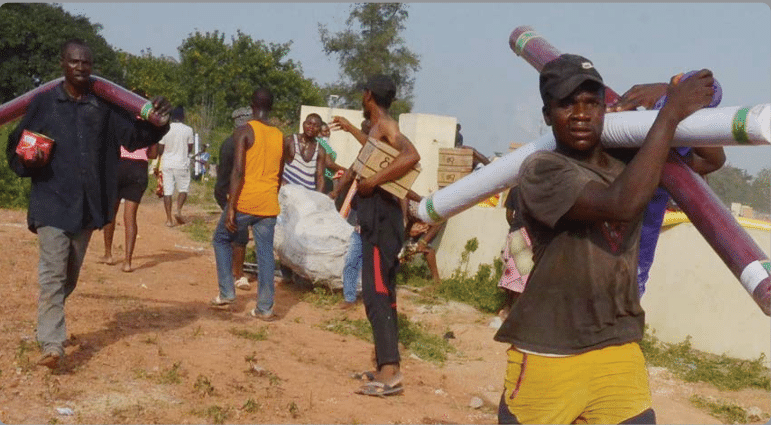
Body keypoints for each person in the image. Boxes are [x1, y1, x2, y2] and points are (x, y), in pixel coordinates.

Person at [494, 54, 716, 424]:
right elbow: (621, 204)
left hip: (617, 345)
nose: (581, 114)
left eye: (591, 103)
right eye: (567, 104)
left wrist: (665, 96)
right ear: (547, 115)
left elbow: (711, 157)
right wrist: (669, 114)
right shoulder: (543, 170)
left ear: (603, 108)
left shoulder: (629, 163)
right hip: (550, 352)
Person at [5, 38, 171, 369]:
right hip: (51, 201)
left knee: (69, 277)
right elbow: (17, 146)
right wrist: (29, 158)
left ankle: (48, 318)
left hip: (87, 205)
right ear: (62, 65)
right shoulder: (45, 104)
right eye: (74, 62)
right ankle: (53, 343)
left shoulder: (103, 107)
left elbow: (133, 138)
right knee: (52, 275)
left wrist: (159, 125)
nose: (81, 67)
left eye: (86, 63)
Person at [335, 75, 421, 397]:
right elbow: (372, 154)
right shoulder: (376, 129)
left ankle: (390, 372)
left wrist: (374, 182)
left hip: (383, 220)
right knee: (382, 292)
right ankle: (388, 366)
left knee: (376, 293)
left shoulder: (386, 124)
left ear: (368, 94)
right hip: (376, 219)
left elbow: (411, 155)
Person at [608, 83, 726, 296]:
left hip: (631, 271)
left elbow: (715, 160)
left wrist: (676, 102)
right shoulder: (631, 136)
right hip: (598, 264)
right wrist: (673, 103)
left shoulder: (674, 161)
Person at [210, 88, 284, 323]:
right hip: (268, 203)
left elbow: (238, 171)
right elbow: (279, 174)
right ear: (270, 107)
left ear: (252, 106)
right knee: (265, 254)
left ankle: (227, 292)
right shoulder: (279, 136)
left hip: (245, 200)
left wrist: (231, 206)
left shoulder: (243, 131)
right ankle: (264, 308)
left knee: (221, 239)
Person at [98, 142, 159, 273]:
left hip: (119, 165)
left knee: (111, 212)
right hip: (139, 168)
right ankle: (127, 262)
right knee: (130, 217)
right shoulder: (150, 125)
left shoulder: (121, 121)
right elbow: (154, 154)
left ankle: (108, 254)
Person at [214, 106, 254, 291]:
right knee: (239, 232)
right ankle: (237, 274)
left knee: (234, 232)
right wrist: (230, 203)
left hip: (234, 194)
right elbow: (230, 176)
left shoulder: (235, 142)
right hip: (232, 195)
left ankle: (233, 270)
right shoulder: (234, 144)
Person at [496, 185, 533, 319]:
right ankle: (513, 312)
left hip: (517, 233)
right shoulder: (542, 189)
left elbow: (509, 214)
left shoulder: (516, 189)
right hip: (533, 234)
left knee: (512, 273)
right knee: (523, 276)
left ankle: (507, 308)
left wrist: (515, 227)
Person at [155, 106, 194, 227]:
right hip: (182, 163)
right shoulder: (188, 130)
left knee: (168, 191)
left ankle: (169, 220)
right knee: (183, 189)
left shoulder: (165, 129)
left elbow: (160, 149)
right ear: (183, 117)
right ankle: (178, 210)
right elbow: (190, 148)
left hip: (167, 164)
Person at [401, 198, 445, 288]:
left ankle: (437, 282)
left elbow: (440, 219)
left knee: (424, 246)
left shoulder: (421, 207)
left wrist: (424, 241)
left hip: (435, 220)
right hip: (416, 222)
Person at [281, 113, 328, 192]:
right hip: (286, 190)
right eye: (309, 124)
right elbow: (278, 163)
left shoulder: (320, 150)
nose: (311, 127)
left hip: (306, 195)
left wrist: (318, 198)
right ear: (303, 124)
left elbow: (320, 177)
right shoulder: (290, 140)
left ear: (319, 130)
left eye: (315, 126)